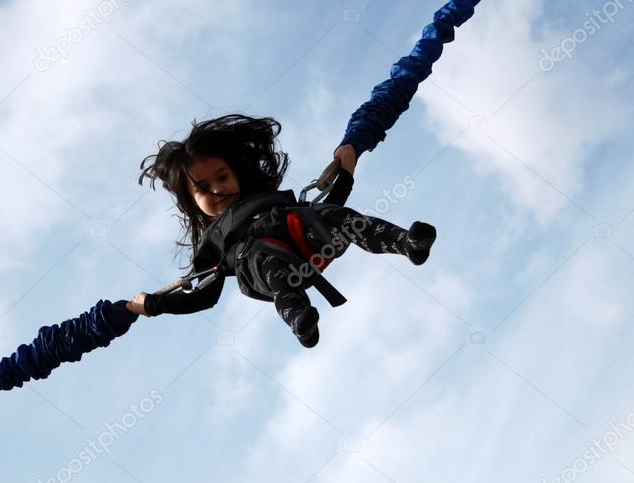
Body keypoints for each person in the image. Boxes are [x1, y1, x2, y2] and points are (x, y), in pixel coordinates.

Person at [127, 114, 436, 347]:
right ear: (192, 203)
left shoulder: (268, 199)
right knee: (271, 265)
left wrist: (345, 173)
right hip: (261, 259)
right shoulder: (214, 241)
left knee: (335, 216)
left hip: (302, 234)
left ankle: (406, 243)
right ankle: (300, 319)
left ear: (236, 172)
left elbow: (328, 209)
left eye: (222, 177)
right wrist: (154, 305)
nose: (219, 189)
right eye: (205, 188)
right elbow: (202, 298)